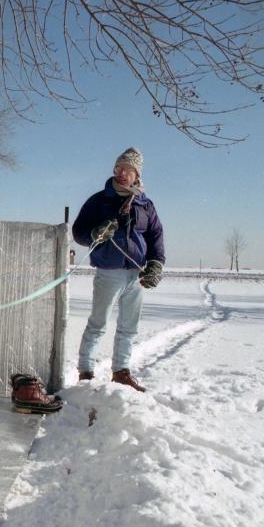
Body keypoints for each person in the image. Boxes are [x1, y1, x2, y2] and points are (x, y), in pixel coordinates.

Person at [72, 147, 165, 392]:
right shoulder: (99, 200)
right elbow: (78, 232)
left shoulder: (146, 205)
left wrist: (156, 263)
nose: (122, 174)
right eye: (119, 169)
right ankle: (85, 373)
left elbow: (156, 236)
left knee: (128, 326)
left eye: (128, 170)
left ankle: (121, 372)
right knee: (98, 324)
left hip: (136, 275)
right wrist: (95, 233)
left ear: (137, 175)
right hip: (108, 273)